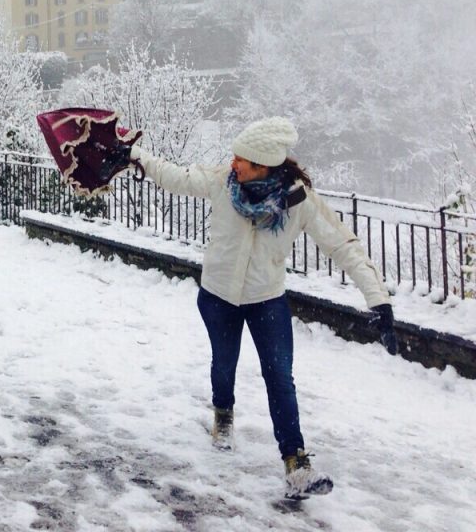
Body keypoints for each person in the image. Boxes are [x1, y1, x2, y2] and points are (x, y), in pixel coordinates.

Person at [126, 116, 398, 498]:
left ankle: (296, 464)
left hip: (266, 298)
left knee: (280, 377)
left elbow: (341, 244)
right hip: (218, 295)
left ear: (265, 166)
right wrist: (133, 155)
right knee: (224, 364)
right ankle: (223, 417)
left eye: (243, 160)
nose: (234, 163)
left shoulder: (298, 199)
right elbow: (175, 176)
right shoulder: (224, 181)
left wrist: (378, 298)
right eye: (235, 156)